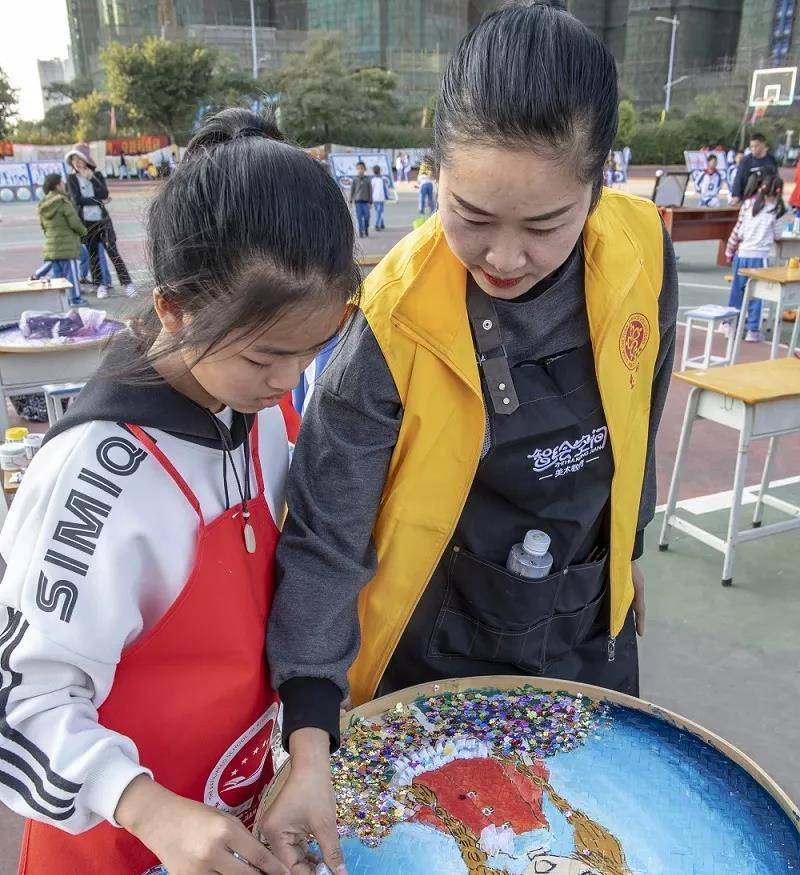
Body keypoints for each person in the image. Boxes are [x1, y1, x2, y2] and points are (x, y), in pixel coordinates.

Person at [260, 4, 678, 872]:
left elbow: (644, 400)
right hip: (430, 655)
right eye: (472, 214)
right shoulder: (390, 326)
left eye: (545, 225)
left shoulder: (643, 246)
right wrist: (309, 738)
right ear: (434, 168)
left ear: (600, 184)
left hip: (584, 626)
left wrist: (626, 552)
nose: (505, 257)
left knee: (577, 841)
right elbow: (325, 539)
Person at [0, 108, 358, 875]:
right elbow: (22, 704)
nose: (288, 380)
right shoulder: (97, 475)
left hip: (233, 807)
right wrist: (148, 807)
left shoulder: (259, 404)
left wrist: (306, 743)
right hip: (114, 838)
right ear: (171, 307)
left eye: (310, 351)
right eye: (265, 356)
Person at [65, 143, 135, 298]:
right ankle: (100, 286)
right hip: (86, 223)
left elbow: (104, 193)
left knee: (113, 253)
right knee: (93, 256)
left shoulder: (96, 175)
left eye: (79, 159)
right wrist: (99, 201)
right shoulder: (71, 178)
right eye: (74, 160)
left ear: (86, 160)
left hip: (103, 221)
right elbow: (77, 200)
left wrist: (92, 180)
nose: (77, 162)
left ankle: (128, 284)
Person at [725, 168, 787, 342]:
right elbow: (778, 235)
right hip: (760, 258)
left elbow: (738, 230)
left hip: (742, 254)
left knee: (737, 292)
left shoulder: (747, 205)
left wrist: (729, 250)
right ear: (778, 193)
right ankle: (753, 329)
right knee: (758, 295)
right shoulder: (776, 211)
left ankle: (729, 325)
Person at [35, 172, 88, 306]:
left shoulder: (43, 203)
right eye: (62, 182)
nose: (64, 184)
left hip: (51, 243)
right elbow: (74, 223)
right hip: (67, 244)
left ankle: (59, 301)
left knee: (57, 276)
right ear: (57, 185)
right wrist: (83, 232)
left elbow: (43, 225)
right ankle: (75, 299)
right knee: (71, 274)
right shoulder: (63, 201)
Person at [730, 133, 778, 205]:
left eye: (756, 146)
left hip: (766, 196)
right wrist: (736, 196)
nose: (753, 149)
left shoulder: (771, 159)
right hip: (749, 196)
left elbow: (776, 177)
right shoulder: (746, 161)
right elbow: (739, 179)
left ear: (763, 145)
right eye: (751, 147)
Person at [350, 161, 372, 238]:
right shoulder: (355, 179)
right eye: (358, 168)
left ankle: (366, 228)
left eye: (362, 168)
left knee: (367, 217)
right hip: (357, 202)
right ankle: (360, 231)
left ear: (364, 169)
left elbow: (370, 190)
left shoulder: (367, 179)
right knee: (359, 218)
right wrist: (350, 199)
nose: (360, 170)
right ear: (357, 169)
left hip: (366, 202)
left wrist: (370, 201)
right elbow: (352, 190)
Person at [371, 164, 388, 230]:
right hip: (380, 198)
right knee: (379, 211)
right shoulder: (382, 179)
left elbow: (371, 189)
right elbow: (385, 189)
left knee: (378, 211)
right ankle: (381, 222)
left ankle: (377, 224)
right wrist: (386, 196)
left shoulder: (373, 180)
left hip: (376, 198)